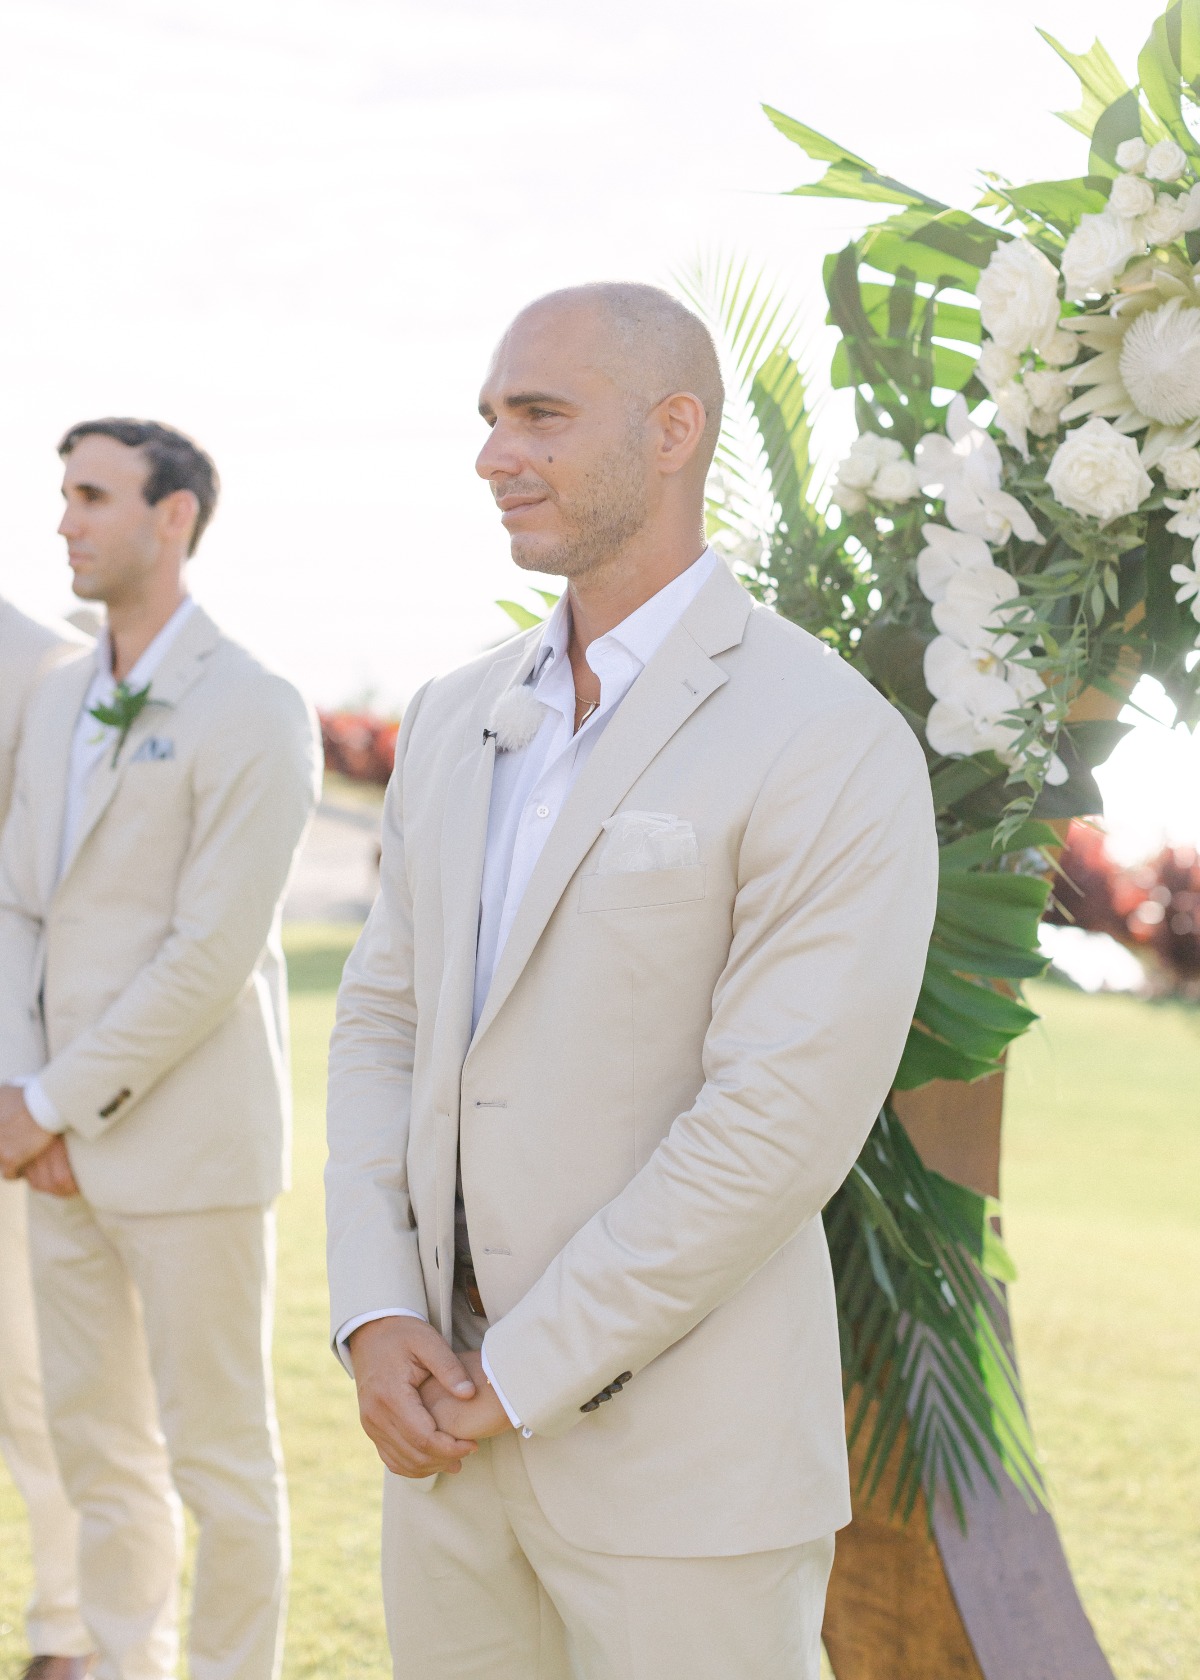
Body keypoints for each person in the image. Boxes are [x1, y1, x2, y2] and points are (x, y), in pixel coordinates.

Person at [325, 283, 938, 1680]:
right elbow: (385, 1022)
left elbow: (773, 1129)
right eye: (489, 419)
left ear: (676, 430)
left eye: (540, 414)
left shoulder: (826, 735)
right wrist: (375, 1309)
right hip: (439, 1455)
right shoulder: (449, 716)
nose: (495, 453)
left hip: (685, 1475)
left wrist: (524, 1373)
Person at [0, 420, 322, 1680]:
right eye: (62, 494)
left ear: (174, 516)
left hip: (189, 1151)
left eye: (93, 496)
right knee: (98, 1454)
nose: (66, 520)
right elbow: (20, 902)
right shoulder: (58, 695)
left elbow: (208, 955)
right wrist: (25, 1096)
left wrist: (54, 1104)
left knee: (222, 1466)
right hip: (55, 1149)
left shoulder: (256, 706)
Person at [0, 597, 93, 1680]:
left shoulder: (42, 661)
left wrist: (38, 1094)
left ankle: (64, 1632)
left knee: (33, 1386)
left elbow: (56, 899)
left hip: (11, 1098)